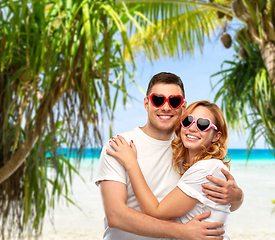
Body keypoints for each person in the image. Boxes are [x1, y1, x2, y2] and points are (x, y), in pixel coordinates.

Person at [95, 72, 243, 240]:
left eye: (174, 101)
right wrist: (182, 232)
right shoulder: (120, 146)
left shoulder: (188, 148)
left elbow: (216, 200)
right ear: (146, 103)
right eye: (158, 100)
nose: (165, 107)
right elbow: (116, 216)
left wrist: (238, 196)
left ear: (182, 106)